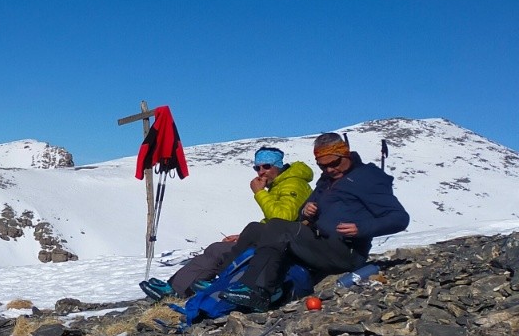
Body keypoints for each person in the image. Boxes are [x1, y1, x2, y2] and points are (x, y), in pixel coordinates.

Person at [220, 132, 410, 311]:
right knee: (255, 229)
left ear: (345, 154)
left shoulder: (368, 178)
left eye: (334, 163)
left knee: (279, 227)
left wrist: (361, 229)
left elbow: (399, 218)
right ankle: (221, 279)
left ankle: (257, 290)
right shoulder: (327, 179)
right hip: (320, 243)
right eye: (322, 166)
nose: (329, 169)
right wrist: (307, 210)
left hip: (345, 253)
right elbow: (307, 208)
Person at [139, 146, 314, 300]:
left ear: (279, 166)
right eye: (257, 167)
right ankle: (176, 288)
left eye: (266, 167)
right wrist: (243, 237)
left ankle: (215, 284)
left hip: (284, 245)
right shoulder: (278, 185)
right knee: (217, 248)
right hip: (273, 239)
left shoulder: (293, 184)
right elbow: (272, 220)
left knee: (226, 249)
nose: (261, 172)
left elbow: (282, 219)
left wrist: (259, 194)